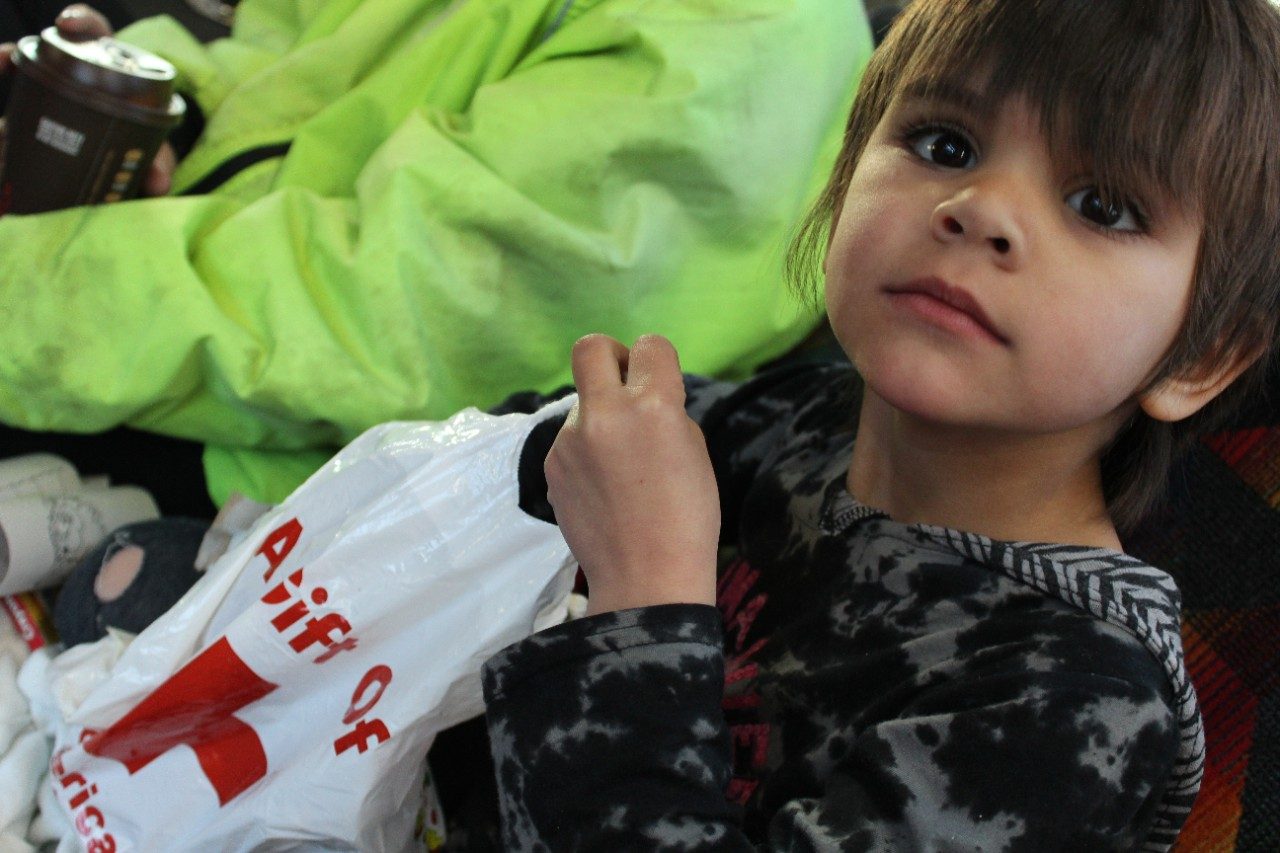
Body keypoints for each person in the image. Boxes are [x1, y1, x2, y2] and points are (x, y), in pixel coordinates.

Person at [474, 0, 1280, 849]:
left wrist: (643, 595)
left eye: (1101, 205)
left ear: (1203, 356)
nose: (979, 209)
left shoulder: (1076, 698)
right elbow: (525, 460)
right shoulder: (796, 425)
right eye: (945, 146)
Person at [0, 0, 871, 510]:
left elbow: (393, 319)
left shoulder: (747, 35)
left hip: (296, 478)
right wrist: (148, 105)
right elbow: (280, 48)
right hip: (158, 315)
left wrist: (32, 292)